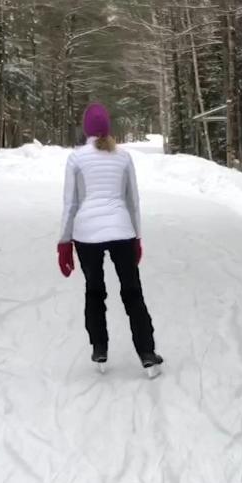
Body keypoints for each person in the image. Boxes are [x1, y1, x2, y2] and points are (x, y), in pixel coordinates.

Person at [57, 103, 164, 373]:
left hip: (86, 234)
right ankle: (147, 352)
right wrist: (137, 237)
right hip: (121, 231)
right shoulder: (123, 157)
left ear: (86, 129)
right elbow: (133, 201)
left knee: (94, 291)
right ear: (108, 128)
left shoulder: (76, 158)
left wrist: (64, 242)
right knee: (132, 292)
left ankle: (99, 349)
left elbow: (70, 203)